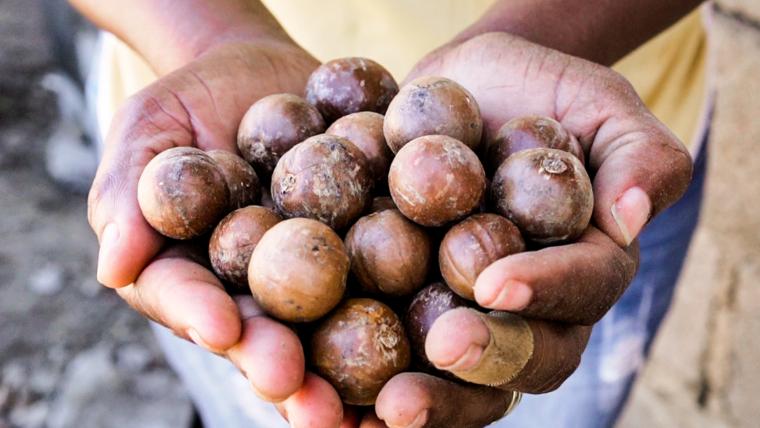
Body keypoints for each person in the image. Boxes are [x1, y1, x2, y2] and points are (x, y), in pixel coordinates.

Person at [69, 0, 710, 426]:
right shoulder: (264, 194)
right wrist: (215, 37)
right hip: (189, 67)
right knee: (256, 390)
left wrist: (532, 38)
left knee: (532, 383)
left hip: (593, 134)